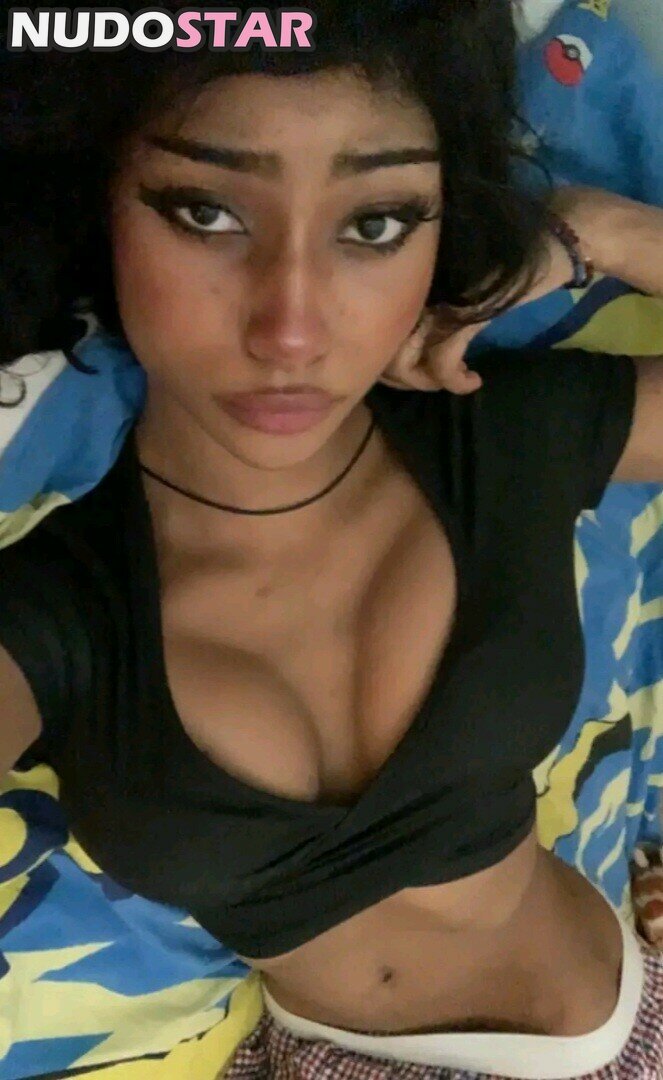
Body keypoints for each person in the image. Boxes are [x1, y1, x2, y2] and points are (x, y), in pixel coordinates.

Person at [1, 3, 663, 1078]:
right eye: (206, 211)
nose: (292, 330)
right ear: (95, 201)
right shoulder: (55, 606)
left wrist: (606, 234)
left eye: (378, 223)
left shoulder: (499, 437)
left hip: (633, 1015)